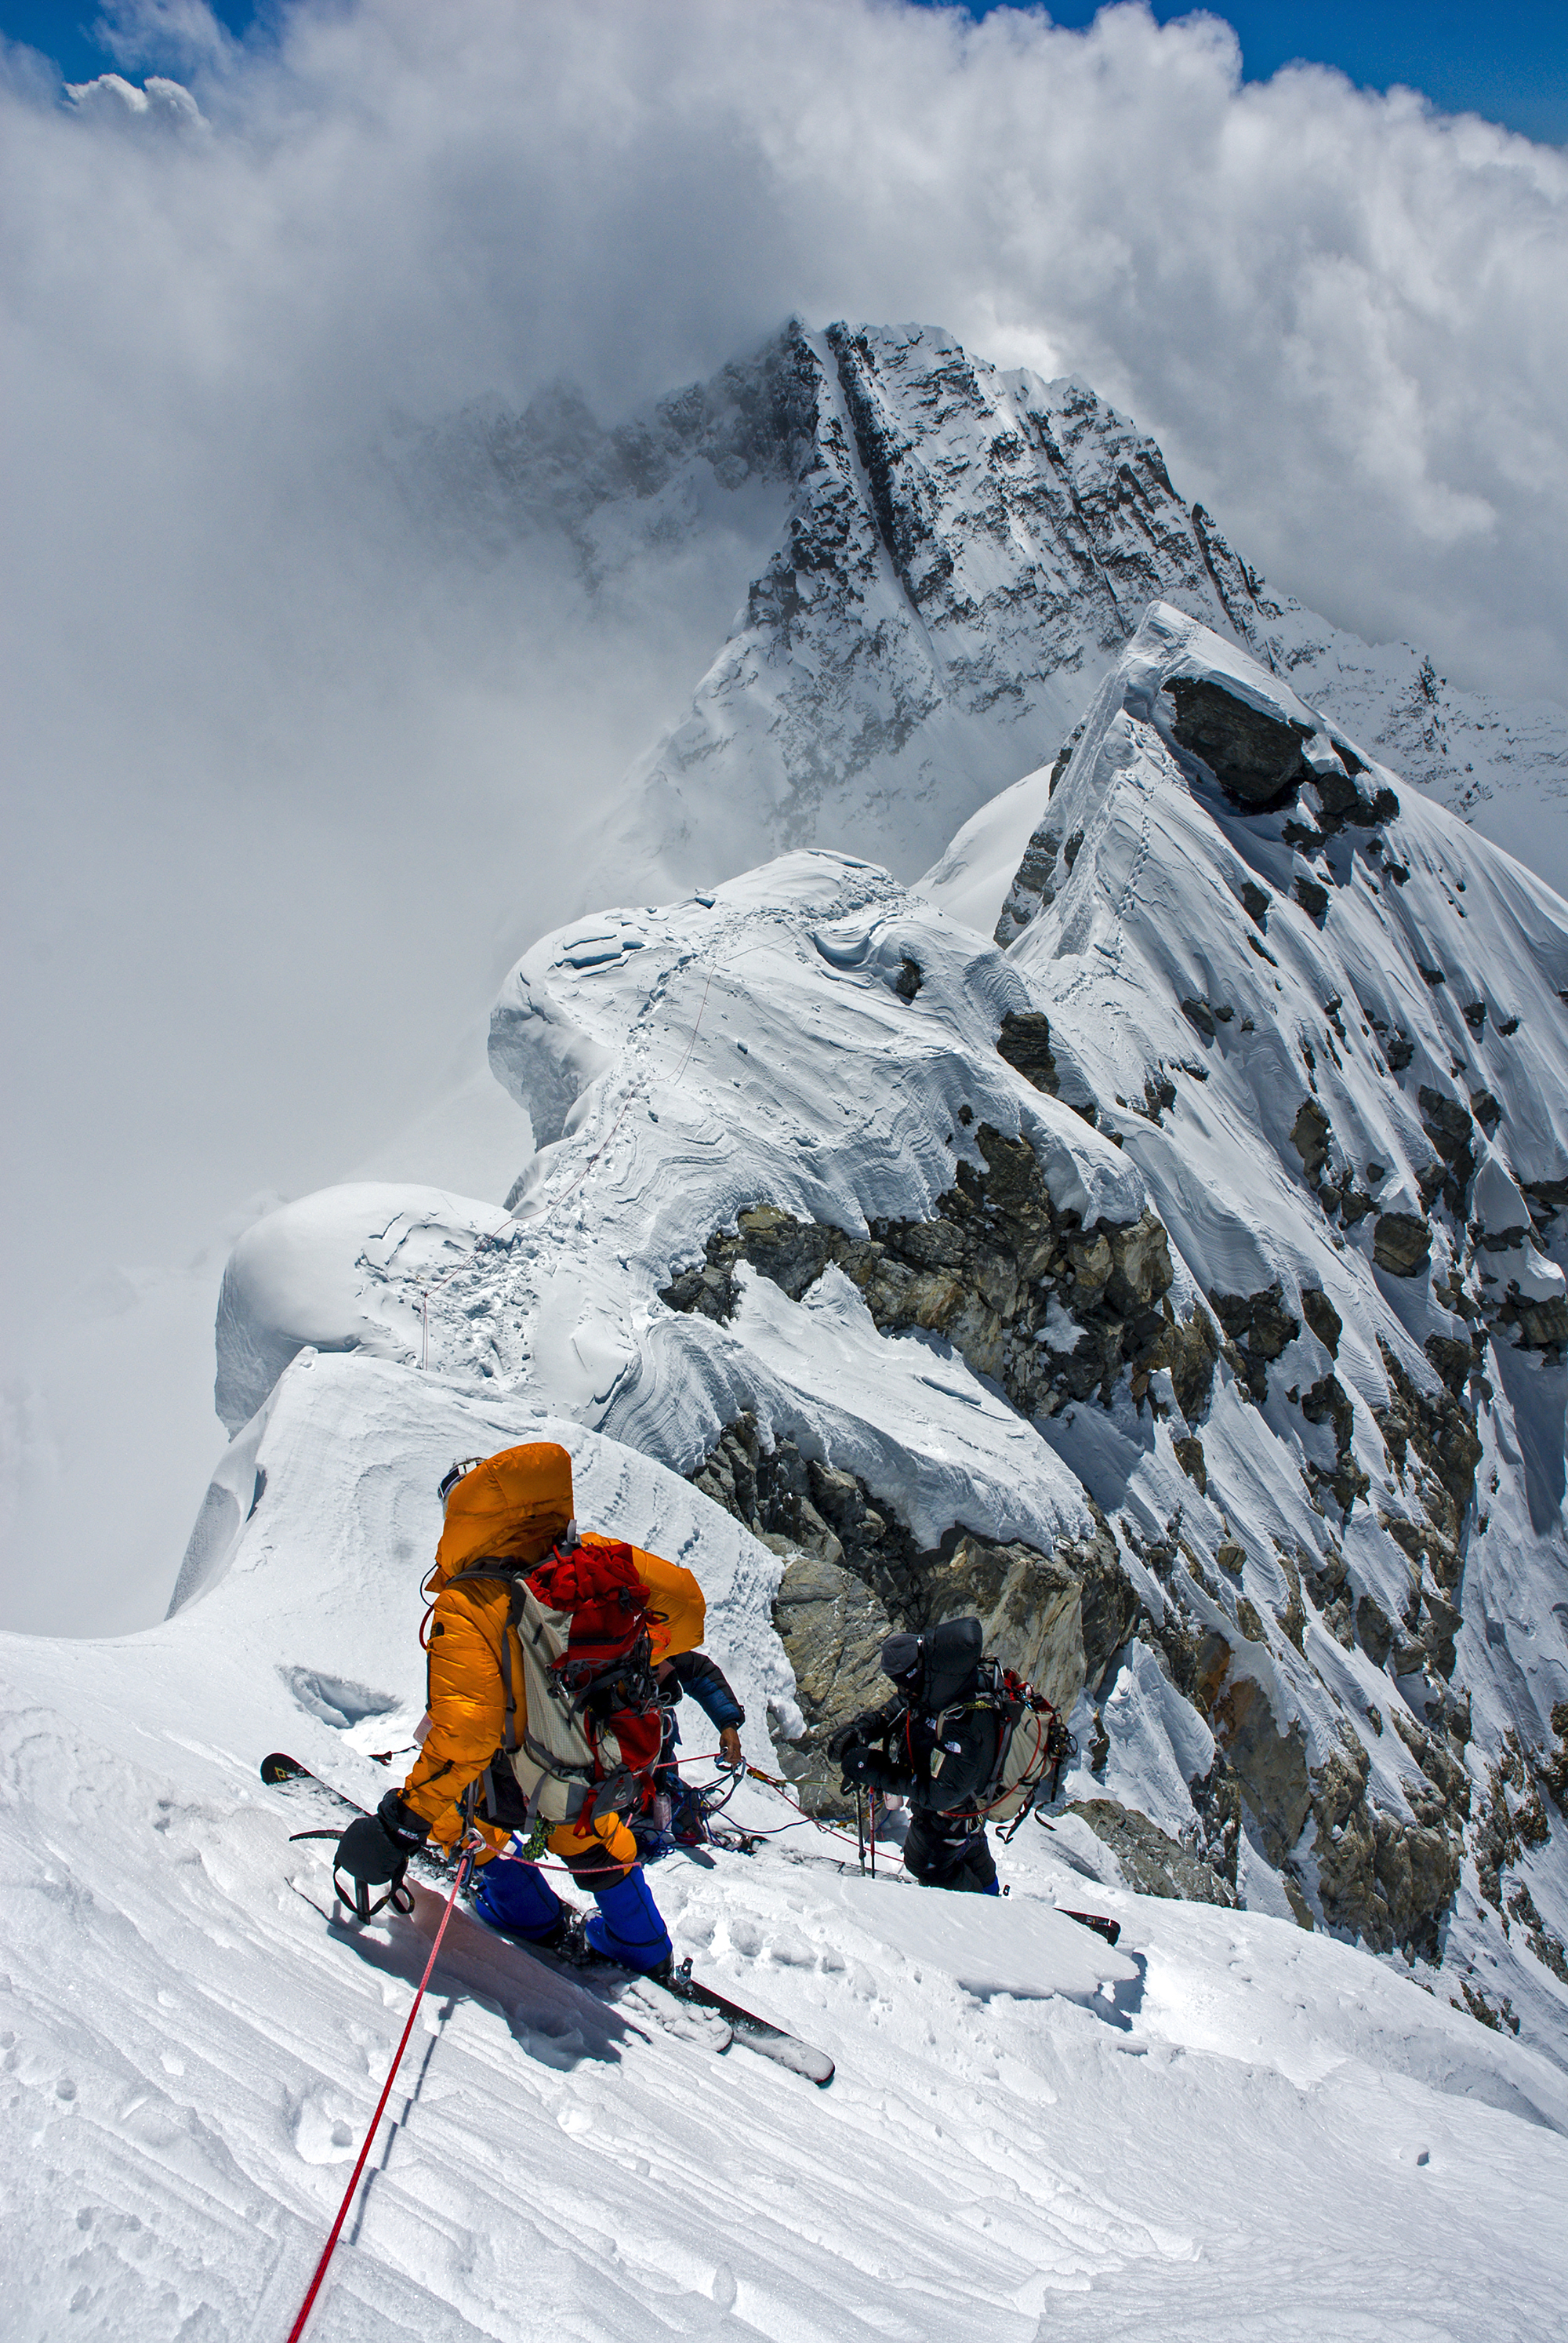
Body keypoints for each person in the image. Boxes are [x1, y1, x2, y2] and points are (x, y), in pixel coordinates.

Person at [332, 1441, 707, 1974]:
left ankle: (526, 1915)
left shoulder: (466, 1601)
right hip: (597, 1748)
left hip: (512, 1771)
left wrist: (402, 1824)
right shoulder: (588, 1560)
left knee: (464, 1821)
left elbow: (465, 1734)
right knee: (587, 1828)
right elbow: (688, 1610)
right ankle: (642, 1944)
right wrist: (635, 1655)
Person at [829, 1619, 1003, 1894]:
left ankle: (993, 1916)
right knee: (968, 1843)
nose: (901, 1690)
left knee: (924, 1863)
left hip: (948, 1811)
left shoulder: (964, 1719)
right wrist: (864, 1729)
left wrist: (875, 1770)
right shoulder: (944, 1681)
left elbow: (944, 1793)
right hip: (968, 1809)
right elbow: (906, 1705)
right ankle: (991, 1893)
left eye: (902, 1683)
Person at [633, 1651, 746, 1859]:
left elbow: (699, 1671)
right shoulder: (639, 1652)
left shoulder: (647, 1651)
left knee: (679, 1804)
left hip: (657, 1771)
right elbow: (699, 1671)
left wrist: (728, 1724)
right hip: (618, 1783)